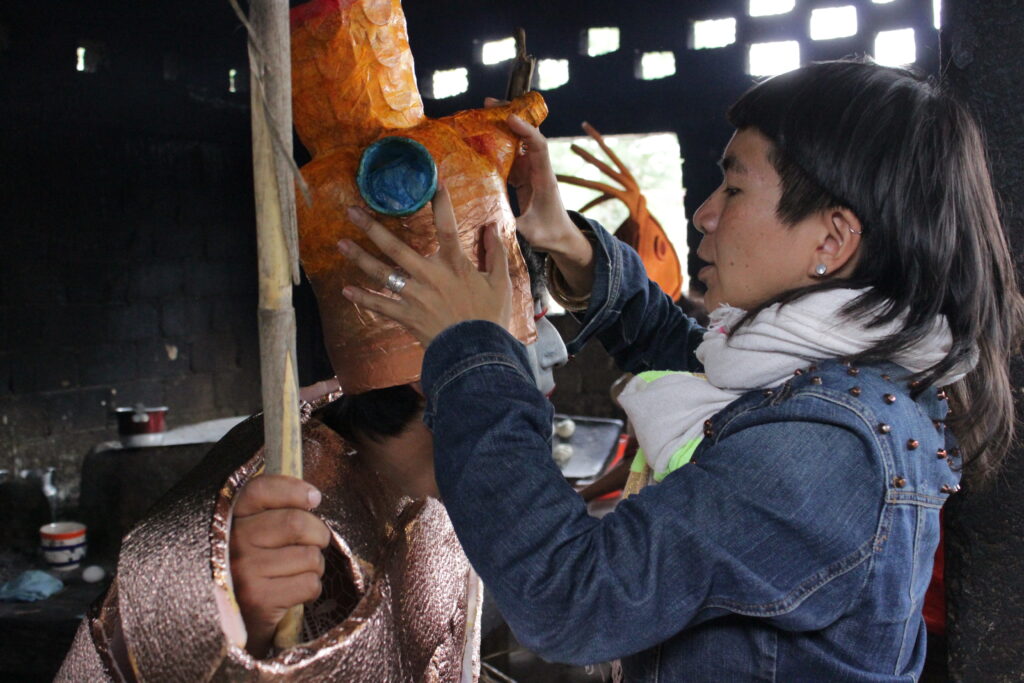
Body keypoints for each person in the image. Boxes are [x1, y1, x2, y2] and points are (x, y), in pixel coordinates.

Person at [338, 59, 1024, 679]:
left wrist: (475, 350)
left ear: (832, 238)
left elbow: (570, 596)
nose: (704, 213)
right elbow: (695, 360)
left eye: (734, 188)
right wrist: (570, 244)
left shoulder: (826, 447)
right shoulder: (847, 380)